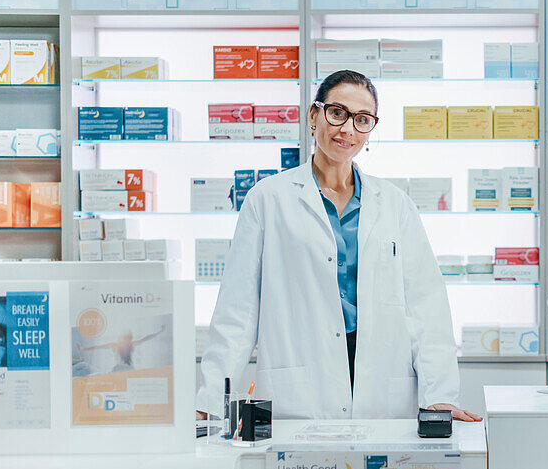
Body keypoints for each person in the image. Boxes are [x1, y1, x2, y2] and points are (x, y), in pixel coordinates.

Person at [199, 70, 480, 422]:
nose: (347, 129)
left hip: (381, 381)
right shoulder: (267, 200)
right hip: (299, 384)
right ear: (313, 116)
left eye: (362, 120)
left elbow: (427, 306)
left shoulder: (394, 204)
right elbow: (237, 312)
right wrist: (210, 400)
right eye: (337, 113)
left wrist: (438, 395)